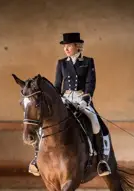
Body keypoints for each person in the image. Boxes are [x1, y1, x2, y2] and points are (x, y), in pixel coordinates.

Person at [28, 32, 111, 177]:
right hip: (65, 98)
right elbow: (57, 85)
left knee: (95, 121)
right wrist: (55, 101)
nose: (66, 49)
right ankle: (36, 159)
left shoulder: (88, 61)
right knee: (45, 123)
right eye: (64, 46)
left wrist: (87, 97)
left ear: (77, 46)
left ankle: (101, 161)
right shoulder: (62, 63)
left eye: (69, 46)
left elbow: (90, 82)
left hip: (81, 97)